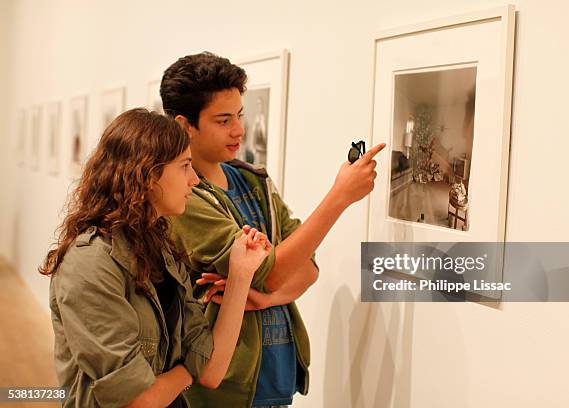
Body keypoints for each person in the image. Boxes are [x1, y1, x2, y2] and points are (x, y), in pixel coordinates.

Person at [160, 51, 385, 408]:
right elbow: (272, 271)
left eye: (239, 115)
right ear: (185, 124)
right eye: (222, 120)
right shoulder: (184, 198)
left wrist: (266, 296)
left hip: (276, 377)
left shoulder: (252, 178)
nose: (239, 130)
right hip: (224, 388)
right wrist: (339, 197)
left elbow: (307, 268)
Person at [40, 108, 271, 407]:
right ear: (147, 174)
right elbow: (139, 399)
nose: (195, 180)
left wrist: (241, 274)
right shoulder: (90, 262)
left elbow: (212, 371)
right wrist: (188, 369)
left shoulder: (158, 248)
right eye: (185, 166)